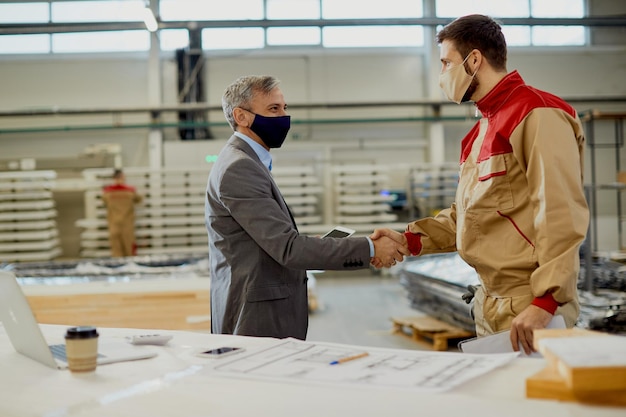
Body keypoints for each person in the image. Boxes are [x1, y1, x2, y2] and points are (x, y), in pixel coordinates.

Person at [371, 14, 589, 354]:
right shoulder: (481, 130)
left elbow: (560, 211)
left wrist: (546, 301)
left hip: (530, 301)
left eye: (446, 63)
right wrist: (409, 239)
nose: (442, 74)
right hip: (490, 299)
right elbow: (469, 215)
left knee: (533, 405)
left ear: (474, 60)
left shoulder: (537, 114)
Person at [205, 75, 409, 340]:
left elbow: (269, 242)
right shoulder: (240, 167)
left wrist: (313, 245)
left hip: (259, 310)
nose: (283, 117)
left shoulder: (245, 160)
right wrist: (370, 248)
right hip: (256, 318)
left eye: (285, 108)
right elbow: (288, 249)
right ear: (241, 117)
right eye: (273, 109)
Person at [102, 169, 143, 257]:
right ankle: (130, 265)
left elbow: (104, 201)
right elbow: (139, 199)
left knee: (116, 247)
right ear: (123, 177)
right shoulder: (130, 191)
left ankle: (118, 266)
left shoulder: (107, 192)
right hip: (127, 223)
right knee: (128, 246)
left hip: (114, 222)